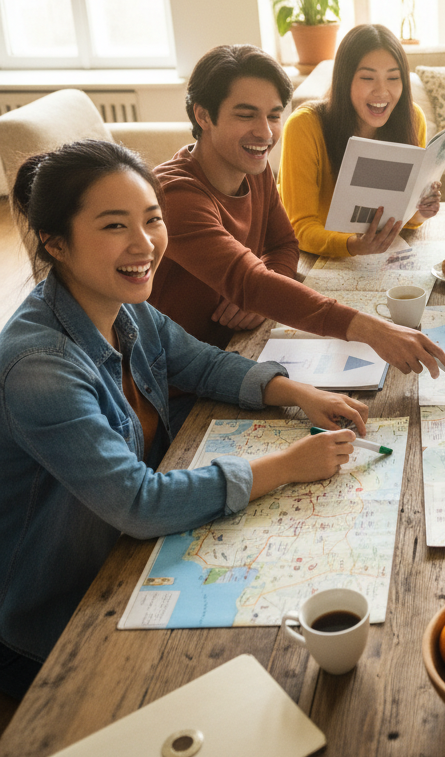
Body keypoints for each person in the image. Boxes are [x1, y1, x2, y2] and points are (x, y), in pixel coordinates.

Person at [0, 141, 369, 699]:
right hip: (61, 622)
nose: (144, 244)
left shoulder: (123, 304)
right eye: (114, 226)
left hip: (135, 562)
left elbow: (199, 362)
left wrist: (297, 392)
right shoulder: (39, 368)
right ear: (56, 243)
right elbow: (139, 503)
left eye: (152, 220)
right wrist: (289, 465)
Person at [148, 44, 445, 386]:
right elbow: (250, 281)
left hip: (240, 350)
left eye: (274, 115)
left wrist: (256, 301)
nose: (265, 133)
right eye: (246, 115)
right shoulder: (175, 195)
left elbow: (284, 245)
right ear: (203, 116)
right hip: (177, 378)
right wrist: (372, 330)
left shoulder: (254, 167)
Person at [279, 24, 441, 257]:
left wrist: (420, 212)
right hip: (316, 256)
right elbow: (300, 228)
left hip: (379, 257)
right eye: (367, 77)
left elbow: (400, 218)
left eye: (393, 78)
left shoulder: (413, 119)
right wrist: (352, 245)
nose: (382, 91)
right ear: (345, 80)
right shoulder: (304, 126)